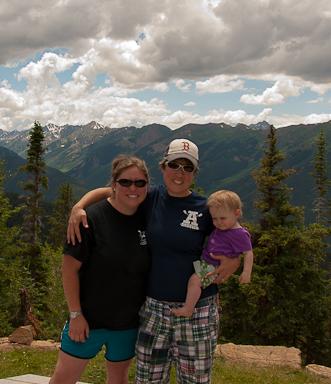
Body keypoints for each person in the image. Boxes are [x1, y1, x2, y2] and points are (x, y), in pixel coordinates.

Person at [67, 139, 241, 384]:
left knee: (195, 381)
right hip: (154, 309)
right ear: (163, 167)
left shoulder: (205, 207)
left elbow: (234, 229)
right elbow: (111, 190)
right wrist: (79, 206)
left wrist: (236, 258)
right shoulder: (150, 196)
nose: (179, 173)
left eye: (187, 168)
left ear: (194, 173)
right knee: (148, 379)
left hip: (198, 309)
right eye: (174, 165)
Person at [49, 156, 151, 384]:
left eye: (140, 183)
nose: (132, 188)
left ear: (147, 185)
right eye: (125, 182)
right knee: (62, 379)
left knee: (119, 379)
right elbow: (69, 270)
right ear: (113, 185)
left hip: (128, 322)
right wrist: (75, 314)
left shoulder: (149, 214)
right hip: (87, 320)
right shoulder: (89, 220)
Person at [172, 189, 253, 317]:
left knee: (194, 281)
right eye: (214, 218)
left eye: (222, 218)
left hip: (213, 266)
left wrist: (246, 272)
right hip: (208, 261)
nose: (218, 222)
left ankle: (188, 308)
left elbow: (248, 253)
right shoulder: (225, 227)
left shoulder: (240, 234)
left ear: (237, 214)